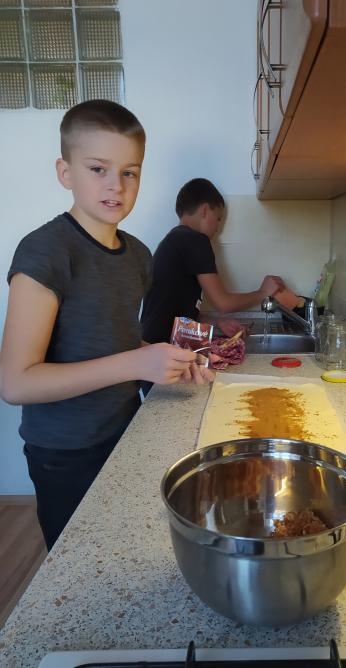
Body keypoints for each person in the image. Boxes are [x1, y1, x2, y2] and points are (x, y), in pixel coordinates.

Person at [0, 100, 213, 551]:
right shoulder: (45, 251)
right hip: (66, 453)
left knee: (127, 554)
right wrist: (137, 361)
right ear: (65, 172)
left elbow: (117, 341)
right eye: (98, 169)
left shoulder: (138, 256)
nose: (116, 185)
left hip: (125, 430)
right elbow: (16, 383)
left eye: (129, 172)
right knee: (79, 566)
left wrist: (166, 363)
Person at [141, 177, 285, 347]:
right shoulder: (195, 240)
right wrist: (263, 292)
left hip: (150, 345)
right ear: (205, 210)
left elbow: (178, 312)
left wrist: (218, 322)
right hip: (161, 349)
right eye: (218, 218)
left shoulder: (173, 240)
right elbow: (223, 303)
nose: (218, 228)